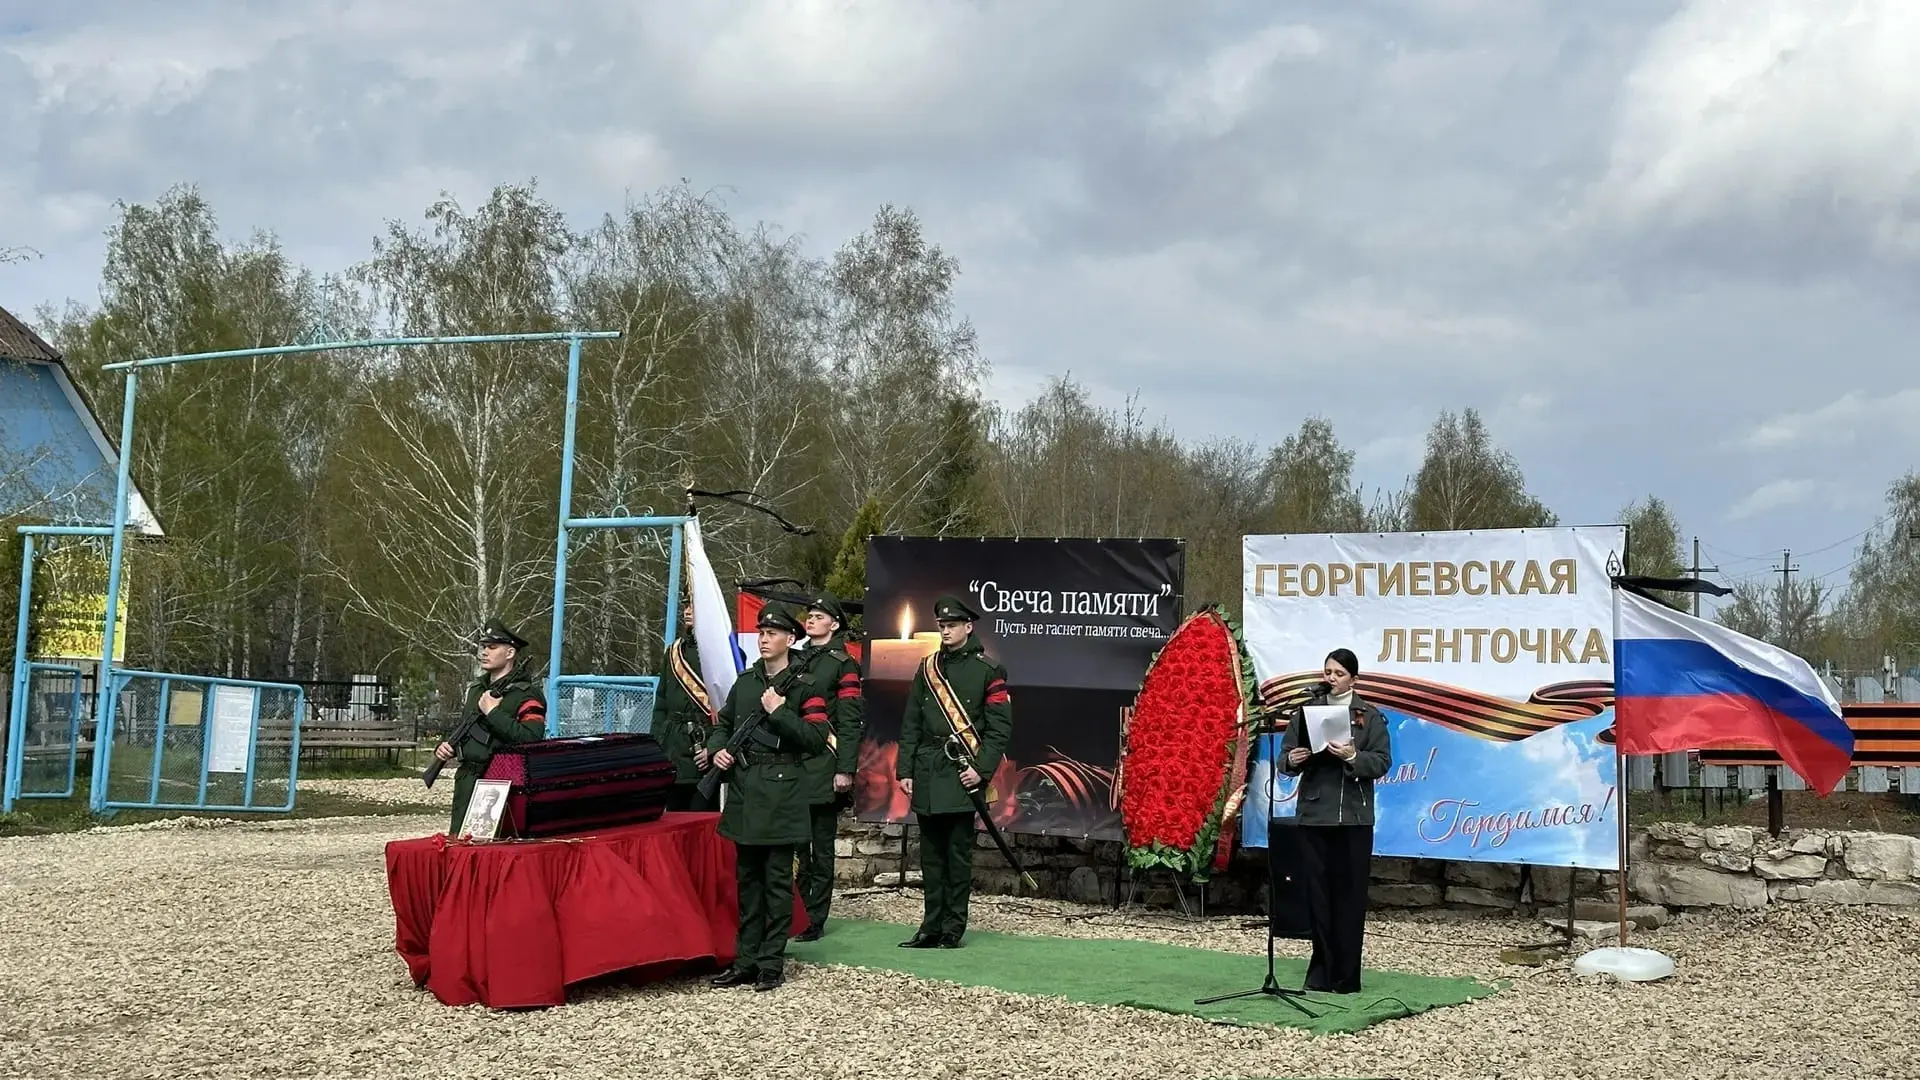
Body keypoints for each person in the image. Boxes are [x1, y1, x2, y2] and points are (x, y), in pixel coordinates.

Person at [706, 604, 832, 992]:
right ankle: (745, 960)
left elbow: (816, 740)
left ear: (790, 639)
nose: (764, 639)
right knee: (747, 883)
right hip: (746, 789)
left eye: (772, 633)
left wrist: (779, 713)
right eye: (761, 633)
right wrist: (718, 749)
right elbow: (724, 724)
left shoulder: (806, 686)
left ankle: (770, 963)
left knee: (777, 884)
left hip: (781, 791)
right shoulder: (746, 682)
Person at [894, 595, 1012, 949]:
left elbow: (999, 730)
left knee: (957, 856)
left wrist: (981, 771)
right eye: (942, 626)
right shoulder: (927, 668)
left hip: (962, 771)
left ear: (968, 627)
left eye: (952, 625)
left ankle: (952, 928)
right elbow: (911, 722)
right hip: (928, 768)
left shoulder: (988, 671)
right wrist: (905, 769)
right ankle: (930, 927)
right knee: (930, 856)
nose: (945, 631)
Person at [1275, 647, 1393, 994]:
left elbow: (1382, 761)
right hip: (1315, 814)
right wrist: (1294, 759)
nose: (1331, 678)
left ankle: (1346, 976)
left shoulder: (1369, 716)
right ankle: (1320, 972)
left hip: (1354, 817)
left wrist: (1354, 756)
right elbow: (1284, 757)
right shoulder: (1307, 711)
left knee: (1350, 896)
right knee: (1318, 895)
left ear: (1353, 678)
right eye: (1328, 672)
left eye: (1339, 673)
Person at [791, 590, 865, 941]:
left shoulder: (843, 664)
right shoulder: (794, 657)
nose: (811, 620)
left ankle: (814, 918)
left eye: (819, 617)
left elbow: (850, 721)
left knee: (820, 848)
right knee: (795, 846)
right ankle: (793, 913)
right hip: (792, 763)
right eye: (809, 616)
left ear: (834, 625)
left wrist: (845, 768)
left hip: (824, 761)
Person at [435, 619, 548, 837]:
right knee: (459, 842)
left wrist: (493, 713)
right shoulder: (476, 688)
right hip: (467, 779)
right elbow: (467, 727)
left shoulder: (526, 694)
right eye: (483, 646)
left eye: (492, 647)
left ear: (510, 653)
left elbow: (531, 739)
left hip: (500, 783)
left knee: (491, 848)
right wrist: (447, 747)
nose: (484, 652)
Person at [655, 602, 716, 811]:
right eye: (686, 606)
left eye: (694, 606)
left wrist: (713, 747)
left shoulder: (719, 651)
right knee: (673, 817)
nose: (687, 611)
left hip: (703, 744)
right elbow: (661, 703)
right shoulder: (673, 651)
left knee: (702, 818)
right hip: (672, 745)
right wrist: (658, 743)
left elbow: (728, 707)